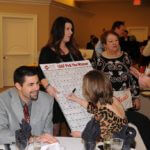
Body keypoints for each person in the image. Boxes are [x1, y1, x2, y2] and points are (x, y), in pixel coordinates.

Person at [94, 30, 150, 149]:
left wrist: (136, 97)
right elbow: (96, 83)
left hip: (126, 98)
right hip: (109, 100)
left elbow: (132, 78)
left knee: (128, 126)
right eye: (110, 41)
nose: (114, 43)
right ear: (104, 44)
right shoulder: (99, 60)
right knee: (112, 128)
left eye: (116, 40)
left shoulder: (125, 56)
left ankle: (128, 146)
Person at [38, 16, 83, 136]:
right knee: (54, 128)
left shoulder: (74, 50)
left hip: (73, 95)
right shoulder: (47, 51)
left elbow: (82, 69)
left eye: (71, 29)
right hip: (55, 96)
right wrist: (48, 87)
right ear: (59, 30)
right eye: (67, 29)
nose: (71, 32)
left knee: (74, 128)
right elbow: (41, 73)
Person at [0, 66, 57, 145]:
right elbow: (1, 133)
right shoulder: (2, 100)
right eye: (31, 84)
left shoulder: (47, 100)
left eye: (37, 83)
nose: (37, 88)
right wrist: (30, 139)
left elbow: (47, 134)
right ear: (18, 86)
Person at [67, 70, 128, 141]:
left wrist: (81, 135)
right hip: (122, 139)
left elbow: (100, 138)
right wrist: (77, 99)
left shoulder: (103, 112)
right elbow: (95, 109)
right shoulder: (112, 99)